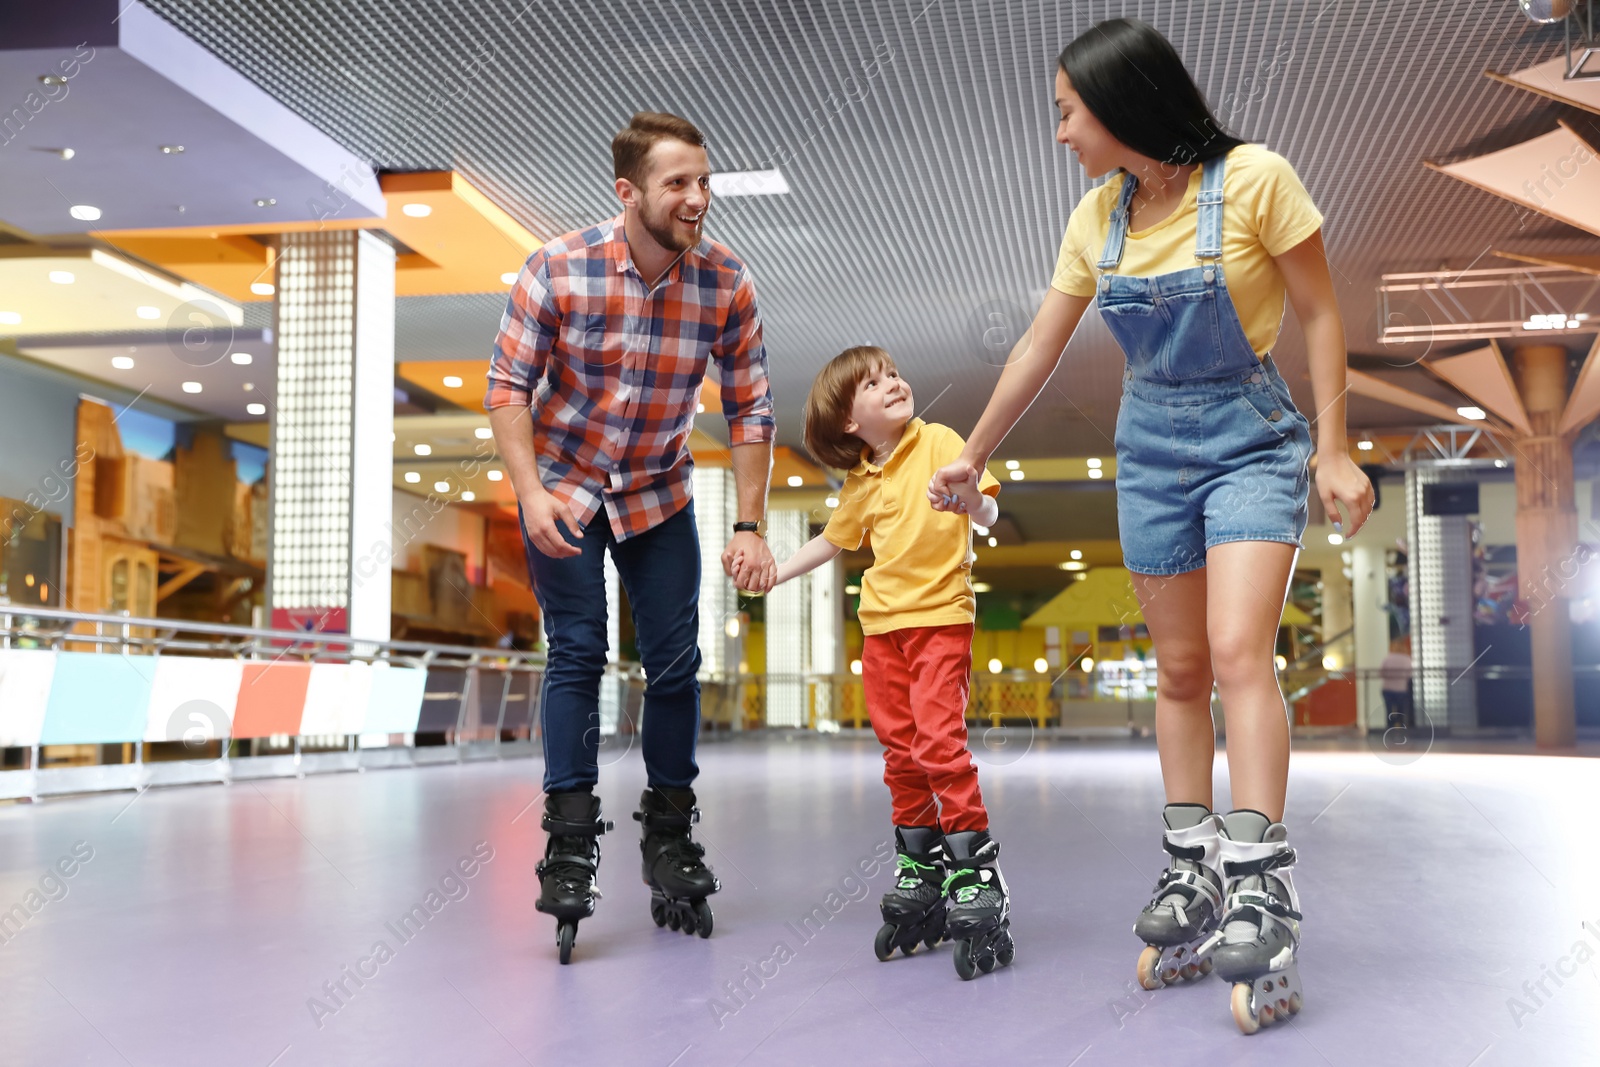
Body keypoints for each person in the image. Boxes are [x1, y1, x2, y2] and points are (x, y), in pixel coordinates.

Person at [929, 19, 1374, 1031]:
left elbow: (1318, 313)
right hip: (1153, 448)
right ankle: (1192, 870)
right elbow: (1040, 344)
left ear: (1121, 107)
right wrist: (976, 449)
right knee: (1176, 669)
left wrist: (1334, 447)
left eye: (1066, 113)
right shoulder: (1096, 218)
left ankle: (1262, 877)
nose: (1059, 134)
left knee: (1234, 650)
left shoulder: (1256, 179)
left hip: (1252, 437)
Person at [485, 111, 778, 963]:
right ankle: (570, 837)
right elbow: (508, 386)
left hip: (658, 491)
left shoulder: (726, 281)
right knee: (577, 652)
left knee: (677, 660)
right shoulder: (558, 267)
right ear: (629, 192)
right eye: (678, 182)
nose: (698, 198)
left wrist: (752, 523)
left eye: (704, 181)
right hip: (565, 491)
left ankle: (670, 829)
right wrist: (530, 490)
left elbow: (751, 406)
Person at [770, 345, 1014, 981]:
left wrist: (971, 504)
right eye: (873, 384)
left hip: (940, 621)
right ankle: (920, 866)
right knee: (900, 751)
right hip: (882, 630)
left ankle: (975, 872)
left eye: (893, 374)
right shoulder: (861, 481)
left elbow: (988, 510)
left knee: (940, 744)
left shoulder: (938, 440)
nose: (893, 384)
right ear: (850, 422)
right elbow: (833, 540)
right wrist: (774, 575)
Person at [1380, 638, 1414, 730]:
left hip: (1387, 688)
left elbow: (1382, 673)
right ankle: (1401, 728)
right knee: (1401, 711)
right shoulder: (1407, 659)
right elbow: (1409, 674)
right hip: (1401, 689)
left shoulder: (1388, 658)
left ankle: (1390, 728)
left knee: (1389, 711)